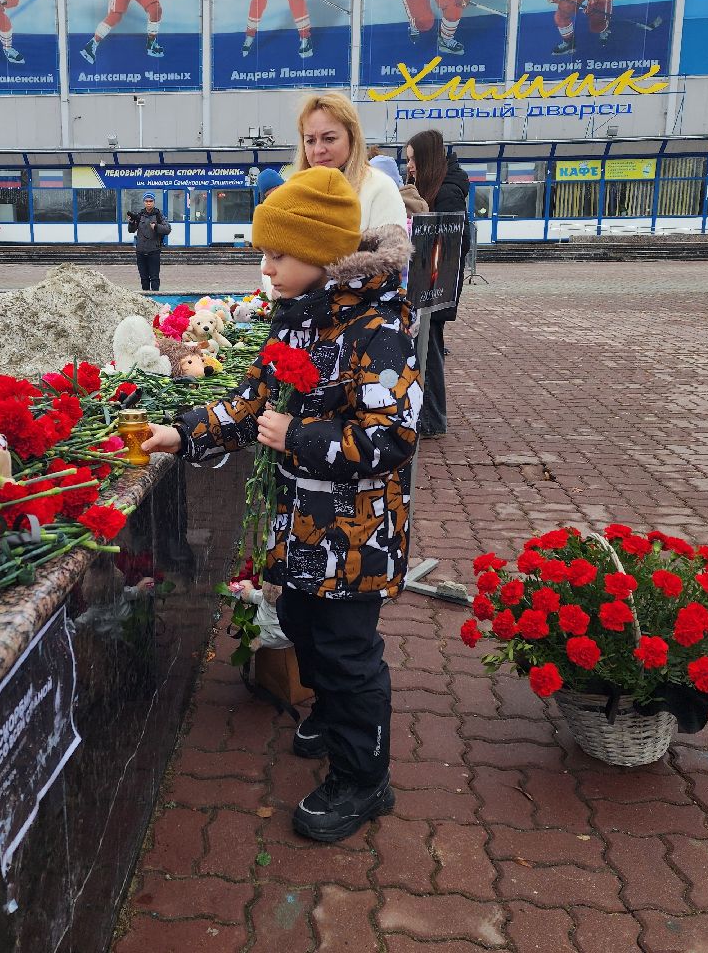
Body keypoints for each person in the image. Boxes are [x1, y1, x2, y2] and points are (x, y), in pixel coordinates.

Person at [140, 167, 417, 843]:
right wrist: (179, 433)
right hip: (303, 531)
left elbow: (393, 438)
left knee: (350, 652)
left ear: (323, 254)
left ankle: (364, 777)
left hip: (356, 539)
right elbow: (248, 406)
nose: (265, 267)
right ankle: (331, 709)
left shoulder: (380, 329)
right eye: (262, 253)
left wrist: (299, 435)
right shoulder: (296, 321)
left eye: (279, 254)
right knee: (300, 619)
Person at [400, 130, 471, 438]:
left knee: (430, 349)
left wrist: (430, 271)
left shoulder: (448, 192)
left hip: (434, 285)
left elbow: (457, 242)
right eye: (407, 160)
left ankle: (432, 420)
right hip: (424, 282)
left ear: (426, 158)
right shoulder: (429, 186)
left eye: (413, 159)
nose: (410, 166)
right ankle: (428, 417)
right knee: (425, 348)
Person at [290, 91, 409, 242]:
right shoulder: (294, 191)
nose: (318, 149)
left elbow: (390, 259)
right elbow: (270, 258)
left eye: (329, 139)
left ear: (352, 139)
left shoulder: (380, 188)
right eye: (310, 141)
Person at [128, 192, 171, 291]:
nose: (148, 203)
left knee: (154, 278)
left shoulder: (159, 215)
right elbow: (131, 230)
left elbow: (167, 229)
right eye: (146, 201)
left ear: (154, 202)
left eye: (151, 201)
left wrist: (156, 227)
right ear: (144, 202)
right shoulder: (139, 215)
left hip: (154, 251)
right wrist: (131, 222)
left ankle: (156, 299)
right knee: (144, 278)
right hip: (141, 251)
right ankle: (146, 301)